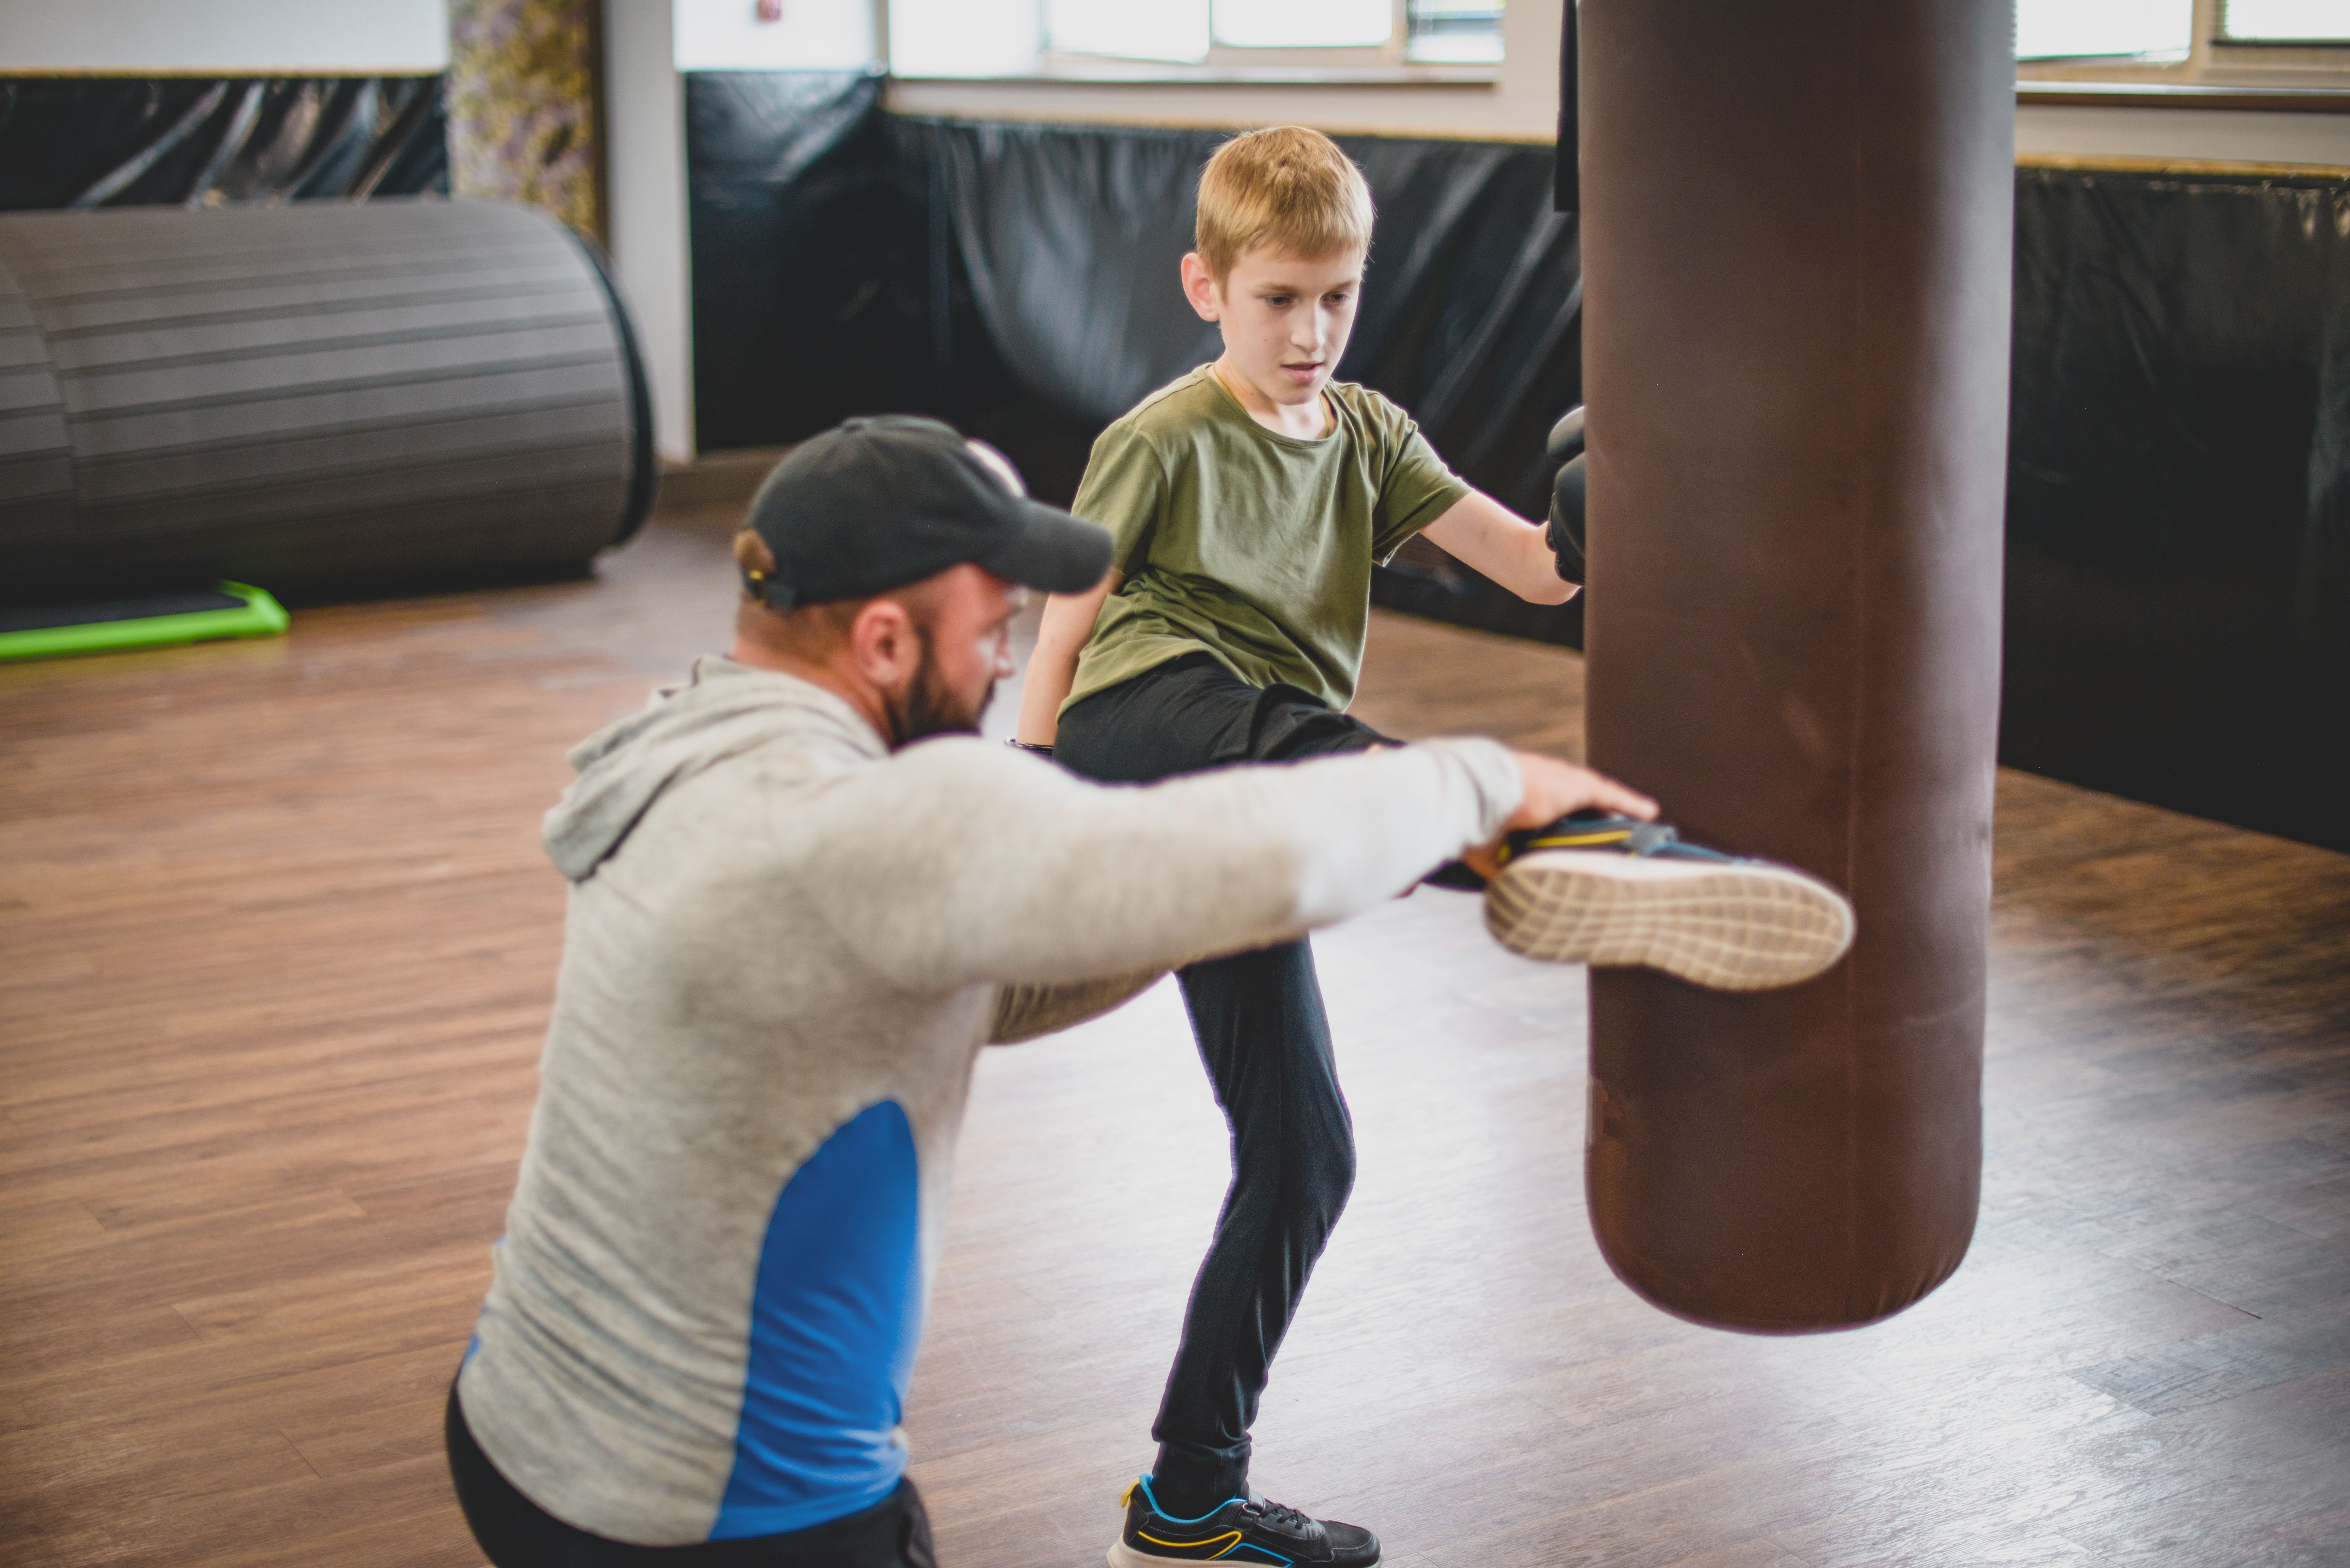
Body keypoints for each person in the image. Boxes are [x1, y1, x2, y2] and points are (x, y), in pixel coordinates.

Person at [442, 415, 1674, 1568]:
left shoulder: (685, 745)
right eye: (988, 637)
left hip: (518, 1426)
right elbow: (1238, 849)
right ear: (881, 640)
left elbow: (992, 985)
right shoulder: (863, 817)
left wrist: (1205, 902)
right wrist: (1479, 786)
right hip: (712, 1513)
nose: (999, 670)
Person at [1012, 128, 1852, 1567]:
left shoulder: (1367, 436)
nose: (1311, 330)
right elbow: (1068, 622)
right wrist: (1020, 790)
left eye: (1336, 295)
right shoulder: (1161, 437)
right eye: (1279, 298)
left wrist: (1602, 509)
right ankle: (1555, 839)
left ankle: (1186, 1503)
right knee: (1293, 732)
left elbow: (1528, 565)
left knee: (1304, 1156)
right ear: (1203, 287)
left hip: (1272, 796)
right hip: (1147, 728)